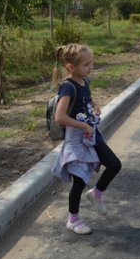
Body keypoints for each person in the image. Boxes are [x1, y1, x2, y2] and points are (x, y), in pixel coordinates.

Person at [51, 44, 122, 235]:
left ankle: (97, 193)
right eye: (86, 65)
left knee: (114, 164)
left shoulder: (85, 81)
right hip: (77, 139)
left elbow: (86, 99)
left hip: (92, 135)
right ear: (71, 67)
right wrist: (83, 125)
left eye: (91, 63)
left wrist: (94, 103)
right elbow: (60, 117)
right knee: (80, 180)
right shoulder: (68, 87)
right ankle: (73, 220)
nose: (90, 67)